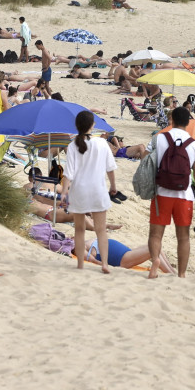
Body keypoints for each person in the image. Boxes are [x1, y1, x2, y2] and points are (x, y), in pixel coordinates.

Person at [148, 107, 195, 278]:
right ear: (188, 122)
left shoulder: (159, 138)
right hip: (184, 196)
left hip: (161, 193)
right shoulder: (194, 144)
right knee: (183, 237)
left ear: (172, 120)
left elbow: (146, 161)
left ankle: (155, 260)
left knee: (155, 234)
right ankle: (182, 274)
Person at [60, 111, 117, 275]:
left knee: (79, 230)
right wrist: (113, 186)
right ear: (93, 125)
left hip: (79, 191)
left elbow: (68, 174)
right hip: (98, 190)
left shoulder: (72, 145)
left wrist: (64, 192)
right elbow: (110, 169)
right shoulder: (101, 143)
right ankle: (105, 264)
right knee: (101, 230)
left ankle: (80, 264)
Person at [76, 238, 174, 274]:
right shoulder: (77, 246)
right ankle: (171, 274)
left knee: (156, 246)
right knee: (152, 248)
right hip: (121, 259)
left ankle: (173, 272)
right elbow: (89, 258)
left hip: (125, 253)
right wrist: (100, 263)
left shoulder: (82, 241)